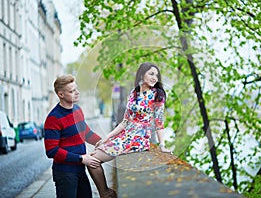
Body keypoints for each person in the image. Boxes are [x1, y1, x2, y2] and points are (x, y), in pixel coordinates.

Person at [88, 62, 172, 197]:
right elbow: (124, 122)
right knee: (91, 158)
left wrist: (162, 145)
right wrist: (106, 138)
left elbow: (159, 123)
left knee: (93, 160)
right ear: (142, 74)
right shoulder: (134, 92)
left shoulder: (158, 94)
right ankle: (106, 192)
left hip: (138, 139)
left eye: (156, 75)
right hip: (125, 135)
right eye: (151, 74)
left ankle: (105, 194)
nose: (154, 78)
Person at [44, 74, 114, 198]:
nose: (77, 92)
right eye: (72, 91)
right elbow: (51, 151)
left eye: (76, 88)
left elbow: (86, 133)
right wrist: (81, 158)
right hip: (65, 174)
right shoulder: (53, 118)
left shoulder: (77, 110)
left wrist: (105, 143)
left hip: (81, 171)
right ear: (61, 95)